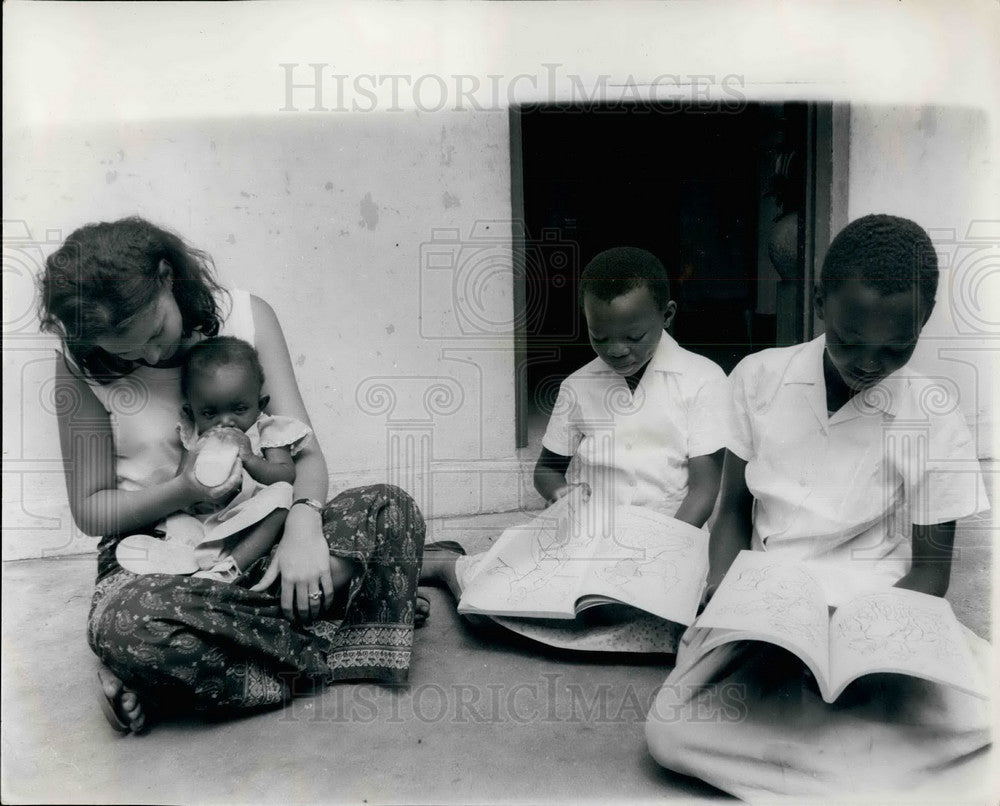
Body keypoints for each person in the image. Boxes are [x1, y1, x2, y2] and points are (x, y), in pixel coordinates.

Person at [645, 214, 992, 798]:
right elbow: (733, 510)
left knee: (978, 720)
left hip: (879, 614)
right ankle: (862, 768)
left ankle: (804, 757)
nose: (869, 364)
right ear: (819, 303)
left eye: (896, 348)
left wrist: (859, 635)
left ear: (925, 318)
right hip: (769, 609)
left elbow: (931, 573)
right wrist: (722, 592)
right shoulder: (759, 378)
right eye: (849, 341)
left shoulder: (933, 414)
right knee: (669, 733)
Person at [39, 217, 427, 734]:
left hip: (264, 531)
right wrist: (181, 489)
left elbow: (305, 456)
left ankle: (172, 670)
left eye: (154, 332)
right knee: (129, 624)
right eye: (125, 352)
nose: (152, 356)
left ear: (167, 277)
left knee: (390, 509)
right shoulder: (79, 364)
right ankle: (346, 624)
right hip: (161, 558)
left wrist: (303, 527)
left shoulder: (248, 317)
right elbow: (92, 510)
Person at [422, 246, 730, 652]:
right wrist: (560, 493)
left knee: (676, 619)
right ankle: (449, 566)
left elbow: (704, 490)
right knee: (490, 603)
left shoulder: (702, 380)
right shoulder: (578, 386)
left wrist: (660, 552)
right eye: (599, 337)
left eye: (633, 337)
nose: (616, 350)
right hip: (590, 539)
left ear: (667, 315)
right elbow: (547, 470)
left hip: (672, 537)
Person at [115, 335, 312, 583]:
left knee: (282, 496)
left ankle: (230, 568)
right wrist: (194, 463)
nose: (226, 422)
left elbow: (286, 475)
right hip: (204, 518)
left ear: (260, 404)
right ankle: (182, 555)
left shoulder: (267, 429)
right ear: (191, 412)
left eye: (239, 409)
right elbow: (180, 481)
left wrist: (250, 458)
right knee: (175, 518)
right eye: (209, 413)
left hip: (249, 515)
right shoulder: (194, 435)